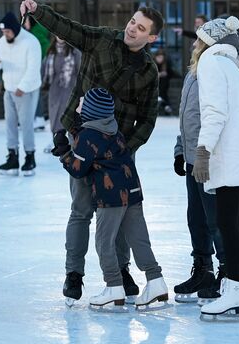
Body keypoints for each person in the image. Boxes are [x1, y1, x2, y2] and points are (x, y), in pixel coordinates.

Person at [20, 0, 163, 305]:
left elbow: (149, 117)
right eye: (132, 22)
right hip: (81, 139)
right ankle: (74, 273)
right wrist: (37, 10)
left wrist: (126, 148)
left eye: (141, 28)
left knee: (120, 211)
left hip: (120, 152)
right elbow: (67, 28)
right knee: (82, 210)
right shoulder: (102, 39)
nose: (132, 29)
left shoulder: (148, 71)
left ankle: (122, 271)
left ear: (152, 38)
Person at [57, 88, 168, 310]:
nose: (77, 106)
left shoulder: (87, 135)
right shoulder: (115, 131)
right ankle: (156, 281)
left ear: (89, 111)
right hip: (133, 191)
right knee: (138, 238)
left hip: (111, 197)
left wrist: (63, 151)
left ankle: (114, 286)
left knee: (103, 241)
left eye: (82, 104)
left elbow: (78, 170)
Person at [189, 16, 239, 319]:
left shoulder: (211, 63)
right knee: (238, 223)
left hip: (231, 157)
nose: (194, 44)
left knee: (226, 223)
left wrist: (203, 151)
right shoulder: (237, 68)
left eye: (198, 39)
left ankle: (233, 291)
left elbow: (214, 111)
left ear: (209, 42)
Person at [173, 38, 226, 304]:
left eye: (199, 39)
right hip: (193, 157)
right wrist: (180, 149)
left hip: (210, 158)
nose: (193, 43)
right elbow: (187, 116)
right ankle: (203, 269)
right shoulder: (194, 72)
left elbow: (216, 116)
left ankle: (227, 274)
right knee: (196, 217)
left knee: (214, 219)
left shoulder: (215, 70)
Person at [0, 12, 42, 176]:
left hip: (26, 90)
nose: (5, 35)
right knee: (10, 124)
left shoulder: (30, 42)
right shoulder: (2, 42)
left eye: (7, 32)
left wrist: (23, 87)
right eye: (3, 32)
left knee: (26, 124)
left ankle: (30, 157)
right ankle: (12, 156)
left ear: (14, 29)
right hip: (9, 89)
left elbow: (34, 68)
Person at [41, 36, 81, 153]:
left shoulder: (75, 52)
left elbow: (81, 72)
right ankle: (56, 141)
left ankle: (72, 142)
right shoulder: (51, 52)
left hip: (71, 90)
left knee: (69, 117)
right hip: (54, 91)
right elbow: (43, 70)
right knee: (54, 117)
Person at [24, 15, 51, 131]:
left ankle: (38, 118)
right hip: (40, 64)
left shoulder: (35, 33)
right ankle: (37, 117)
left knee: (35, 91)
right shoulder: (38, 31)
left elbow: (45, 49)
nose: (24, 24)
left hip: (38, 65)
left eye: (25, 21)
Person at [154, 48, 175, 115]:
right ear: (156, 57)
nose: (159, 59)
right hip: (155, 83)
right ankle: (166, 105)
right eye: (158, 57)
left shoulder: (166, 63)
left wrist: (164, 74)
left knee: (163, 91)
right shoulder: (153, 63)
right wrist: (159, 74)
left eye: (161, 57)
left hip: (164, 82)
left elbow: (170, 73)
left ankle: (163, 103)